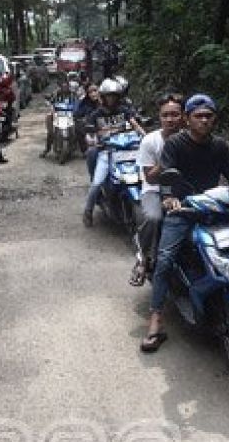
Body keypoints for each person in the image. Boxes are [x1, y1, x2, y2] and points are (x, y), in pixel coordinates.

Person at [141, 94, 229, 352]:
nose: (204, 120)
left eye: (209, 115)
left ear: (215, 118)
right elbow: (165, 174)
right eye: (198, 116)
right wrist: (170, 198)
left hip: (215, 208)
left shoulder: (219, 145)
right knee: (164, 259)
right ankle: (156, 319)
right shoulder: (175, 144)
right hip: (183, 210)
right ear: (187, 119)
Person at [129, 93, 185, 286]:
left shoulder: (191, 138)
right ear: (160, 117)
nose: (170, 119)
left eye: (175, 114)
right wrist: (167, 158)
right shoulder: (150, 141)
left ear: (183, 116)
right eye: (165, 115)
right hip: (154, 188)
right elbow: (149, 176)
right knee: (153, 218)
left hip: (183, 189)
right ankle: (144, 258)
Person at [81, 78, 145, 226]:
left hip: (129, 151)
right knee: (97, 183)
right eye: (108, 95)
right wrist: (92, 140)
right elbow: (89, 134)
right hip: (107, 152)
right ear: (103, 97)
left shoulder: (124, 111)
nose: (111, 98)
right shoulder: (96, 114)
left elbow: (135, 124)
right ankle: (88, 211)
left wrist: (144, 135)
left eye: (114, 95)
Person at [40, 78, 78, 158]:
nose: (64, 87)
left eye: (66, 86)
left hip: (70, 116)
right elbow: (51, 103)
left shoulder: (73, 95)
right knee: (50, 131)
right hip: (58, 115)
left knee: (76, 130)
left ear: (69, 86)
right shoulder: (56, 94)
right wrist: (52, 109)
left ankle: (77, 148)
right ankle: (47, 149)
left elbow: (76, 105)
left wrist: (75, 112)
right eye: (62, 86)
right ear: (60, 86)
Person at [74, 84, 101, 178]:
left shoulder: (105, 103)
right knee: (91, 152)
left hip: (109, 131)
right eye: (91, 92)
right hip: (91, 130)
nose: (93, 93)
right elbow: (77, 114)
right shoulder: (84, 103)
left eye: (95, 90)